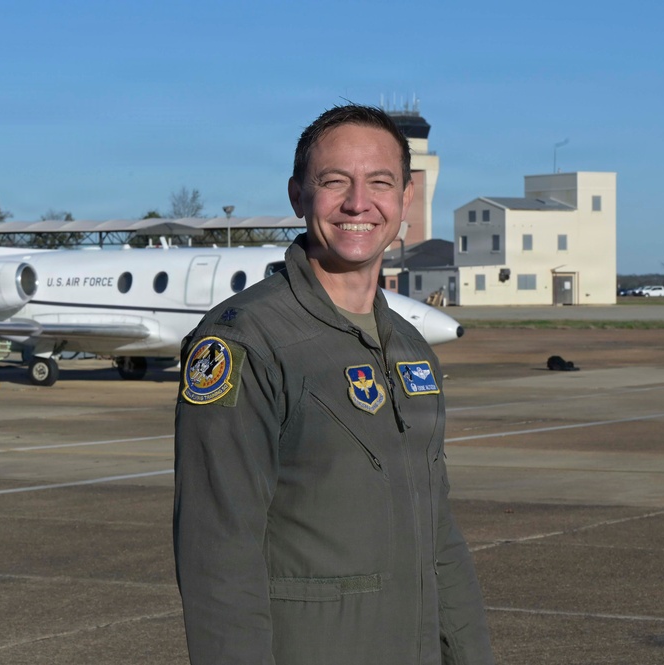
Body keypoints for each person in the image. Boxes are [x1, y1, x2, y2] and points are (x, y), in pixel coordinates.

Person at [173, 104, 494, 664]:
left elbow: (439, 540)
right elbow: (218, 551)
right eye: (335, 181)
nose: (358, 203)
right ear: (298, 195)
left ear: (406, 198)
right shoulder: (247, 341)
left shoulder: (411, 350)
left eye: (380, 182)